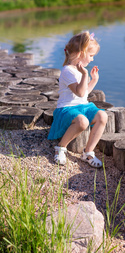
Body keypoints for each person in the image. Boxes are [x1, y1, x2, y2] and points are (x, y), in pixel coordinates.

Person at [48, 31, 108, 168]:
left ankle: (88, 152)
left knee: (102, 116)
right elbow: (80, 93)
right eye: (91, 56)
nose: (92, 59)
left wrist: (94, 80)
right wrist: (85, 74)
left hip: (82, 106)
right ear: (81, 54)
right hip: (66, 109)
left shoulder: (79, 70)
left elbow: (84, 94)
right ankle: (61, 148)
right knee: (83, 122)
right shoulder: (68, 71)